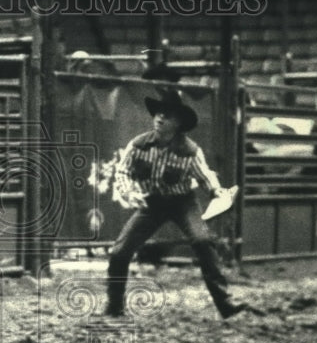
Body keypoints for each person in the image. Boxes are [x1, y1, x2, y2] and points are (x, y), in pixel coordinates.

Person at [106, 89, 261, 319]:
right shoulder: (138, 145)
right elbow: (122, 172)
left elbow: (205, 175)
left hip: (183, 202)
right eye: (158, 114)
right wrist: (130, 192)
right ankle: (115, 306)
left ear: (178, 123)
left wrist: (217, 191)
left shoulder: (190, 151)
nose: (159, 118)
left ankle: (225, 303)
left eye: (167, 116)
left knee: (202, 240)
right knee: (119, 252)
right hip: (152, 203)